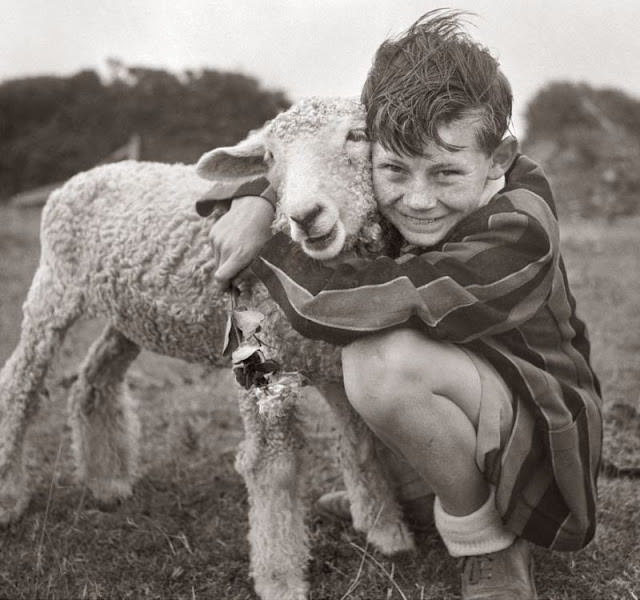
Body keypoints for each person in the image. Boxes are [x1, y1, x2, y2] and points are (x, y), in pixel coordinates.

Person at [201, 10, 602, 600]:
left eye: (445, 172)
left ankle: (487, 541)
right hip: (459, 393)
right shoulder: (392, 201)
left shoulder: (520, 225)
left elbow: (364, 302)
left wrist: (261, 242)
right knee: (281, 401)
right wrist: (264, 193)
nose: (417, 200)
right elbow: (302, 159)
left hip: (541, 428)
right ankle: (411, 491)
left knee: (375, 363)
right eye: (392, 168)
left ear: (498, 159)